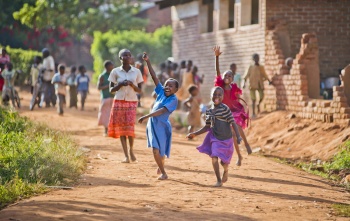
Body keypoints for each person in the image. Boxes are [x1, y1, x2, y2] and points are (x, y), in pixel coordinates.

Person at [186, 87, 241, 187]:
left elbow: (233, 123)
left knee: (224, 163)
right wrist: (194, 134)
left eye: (219, 95)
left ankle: (226, 170)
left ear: (223, 97)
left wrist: (238, 136)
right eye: (214, 94)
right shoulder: (209, 111)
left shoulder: (225, 109)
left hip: (226, 139)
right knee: (214, 157)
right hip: (215, 138)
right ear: (211, 96)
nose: (217, 96)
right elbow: (207, 127)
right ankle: (219, 180)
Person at [138, 52, 179, 180]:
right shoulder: (161, 91)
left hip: (162, 126)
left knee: (161, 152)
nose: (167, 87)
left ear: (175, 90)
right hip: (153, 125)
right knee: (155, 150)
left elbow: (161, 111)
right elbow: (154, 76)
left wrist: (146, 116)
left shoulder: (173, 99)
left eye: (171, 86)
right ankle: (163, 172)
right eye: (166, 84)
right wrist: (148, 61)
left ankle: (161, 165)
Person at [213, 46, 250, 166]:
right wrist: (217, 57)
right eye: (225, 76)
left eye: (229, 76)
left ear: (233, 79)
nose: (227, 77)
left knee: (237, 126)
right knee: (232, 135)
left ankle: (247, 144)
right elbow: (217, 71)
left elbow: (236, 98)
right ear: (222, 78)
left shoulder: (234, 88)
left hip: (235, 111)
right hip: (225, 113)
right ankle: (239, 156)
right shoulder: (221, 87)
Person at [108, 49, 143, 163]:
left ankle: (131, 149)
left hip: (131, 102)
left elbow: (140, 90)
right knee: (122, 130)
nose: (127, 57)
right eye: (124, 55)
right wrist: (120, 84)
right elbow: (111, 90)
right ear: (120, 58)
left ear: (131, 57)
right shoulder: (115, 71)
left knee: (130, 128)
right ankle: (126, 155)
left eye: (129, 55)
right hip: (119, 101)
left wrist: (132, 85)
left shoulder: (136, 72)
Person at [97, 60, 114, 136]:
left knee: (112, 114)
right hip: (105, 97)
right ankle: (105, 130)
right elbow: (99, 87)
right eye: (111, 65)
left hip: (113, 97)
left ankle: (111, 130)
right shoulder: (102, 76)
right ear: (107, 67)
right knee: (105, 115)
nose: (112, 66)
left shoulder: (113, 75)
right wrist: (108, 86)